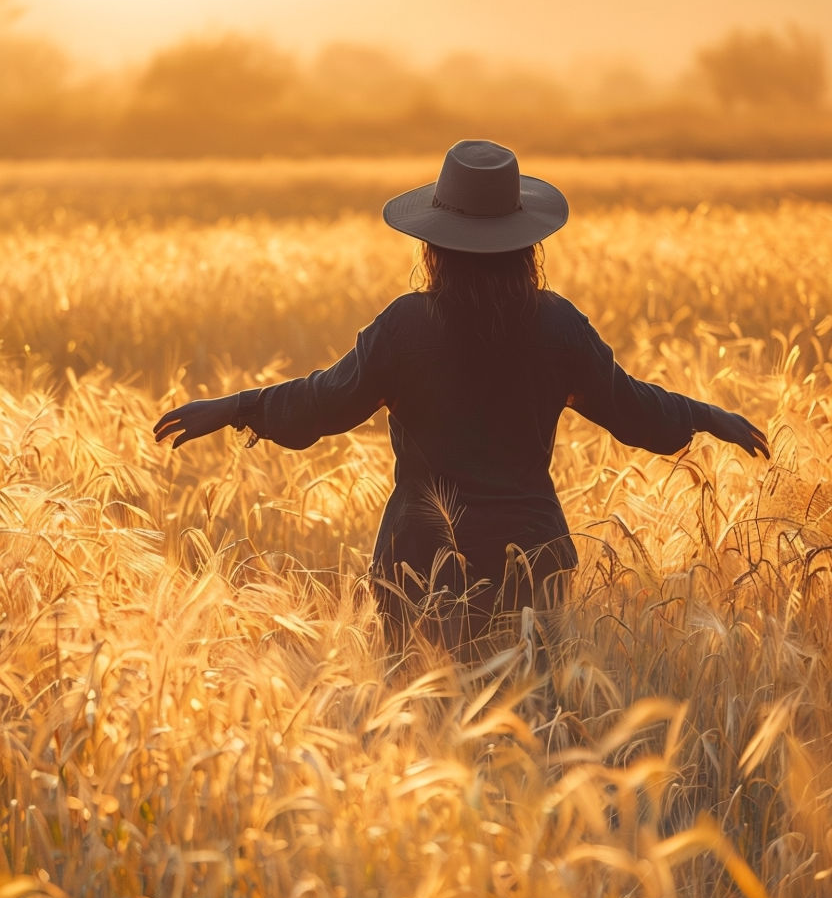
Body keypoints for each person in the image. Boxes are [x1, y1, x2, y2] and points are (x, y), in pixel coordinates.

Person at [154, 140, 769, 649]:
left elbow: (322, 405)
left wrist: (238, 407)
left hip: (420, 568)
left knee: (424, 741)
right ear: (527, 244)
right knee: (532, 743)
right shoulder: (556, 325)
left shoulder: (406, 327)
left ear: (435, 244)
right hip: (531, 564)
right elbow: (637, 415)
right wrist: (706, 415)